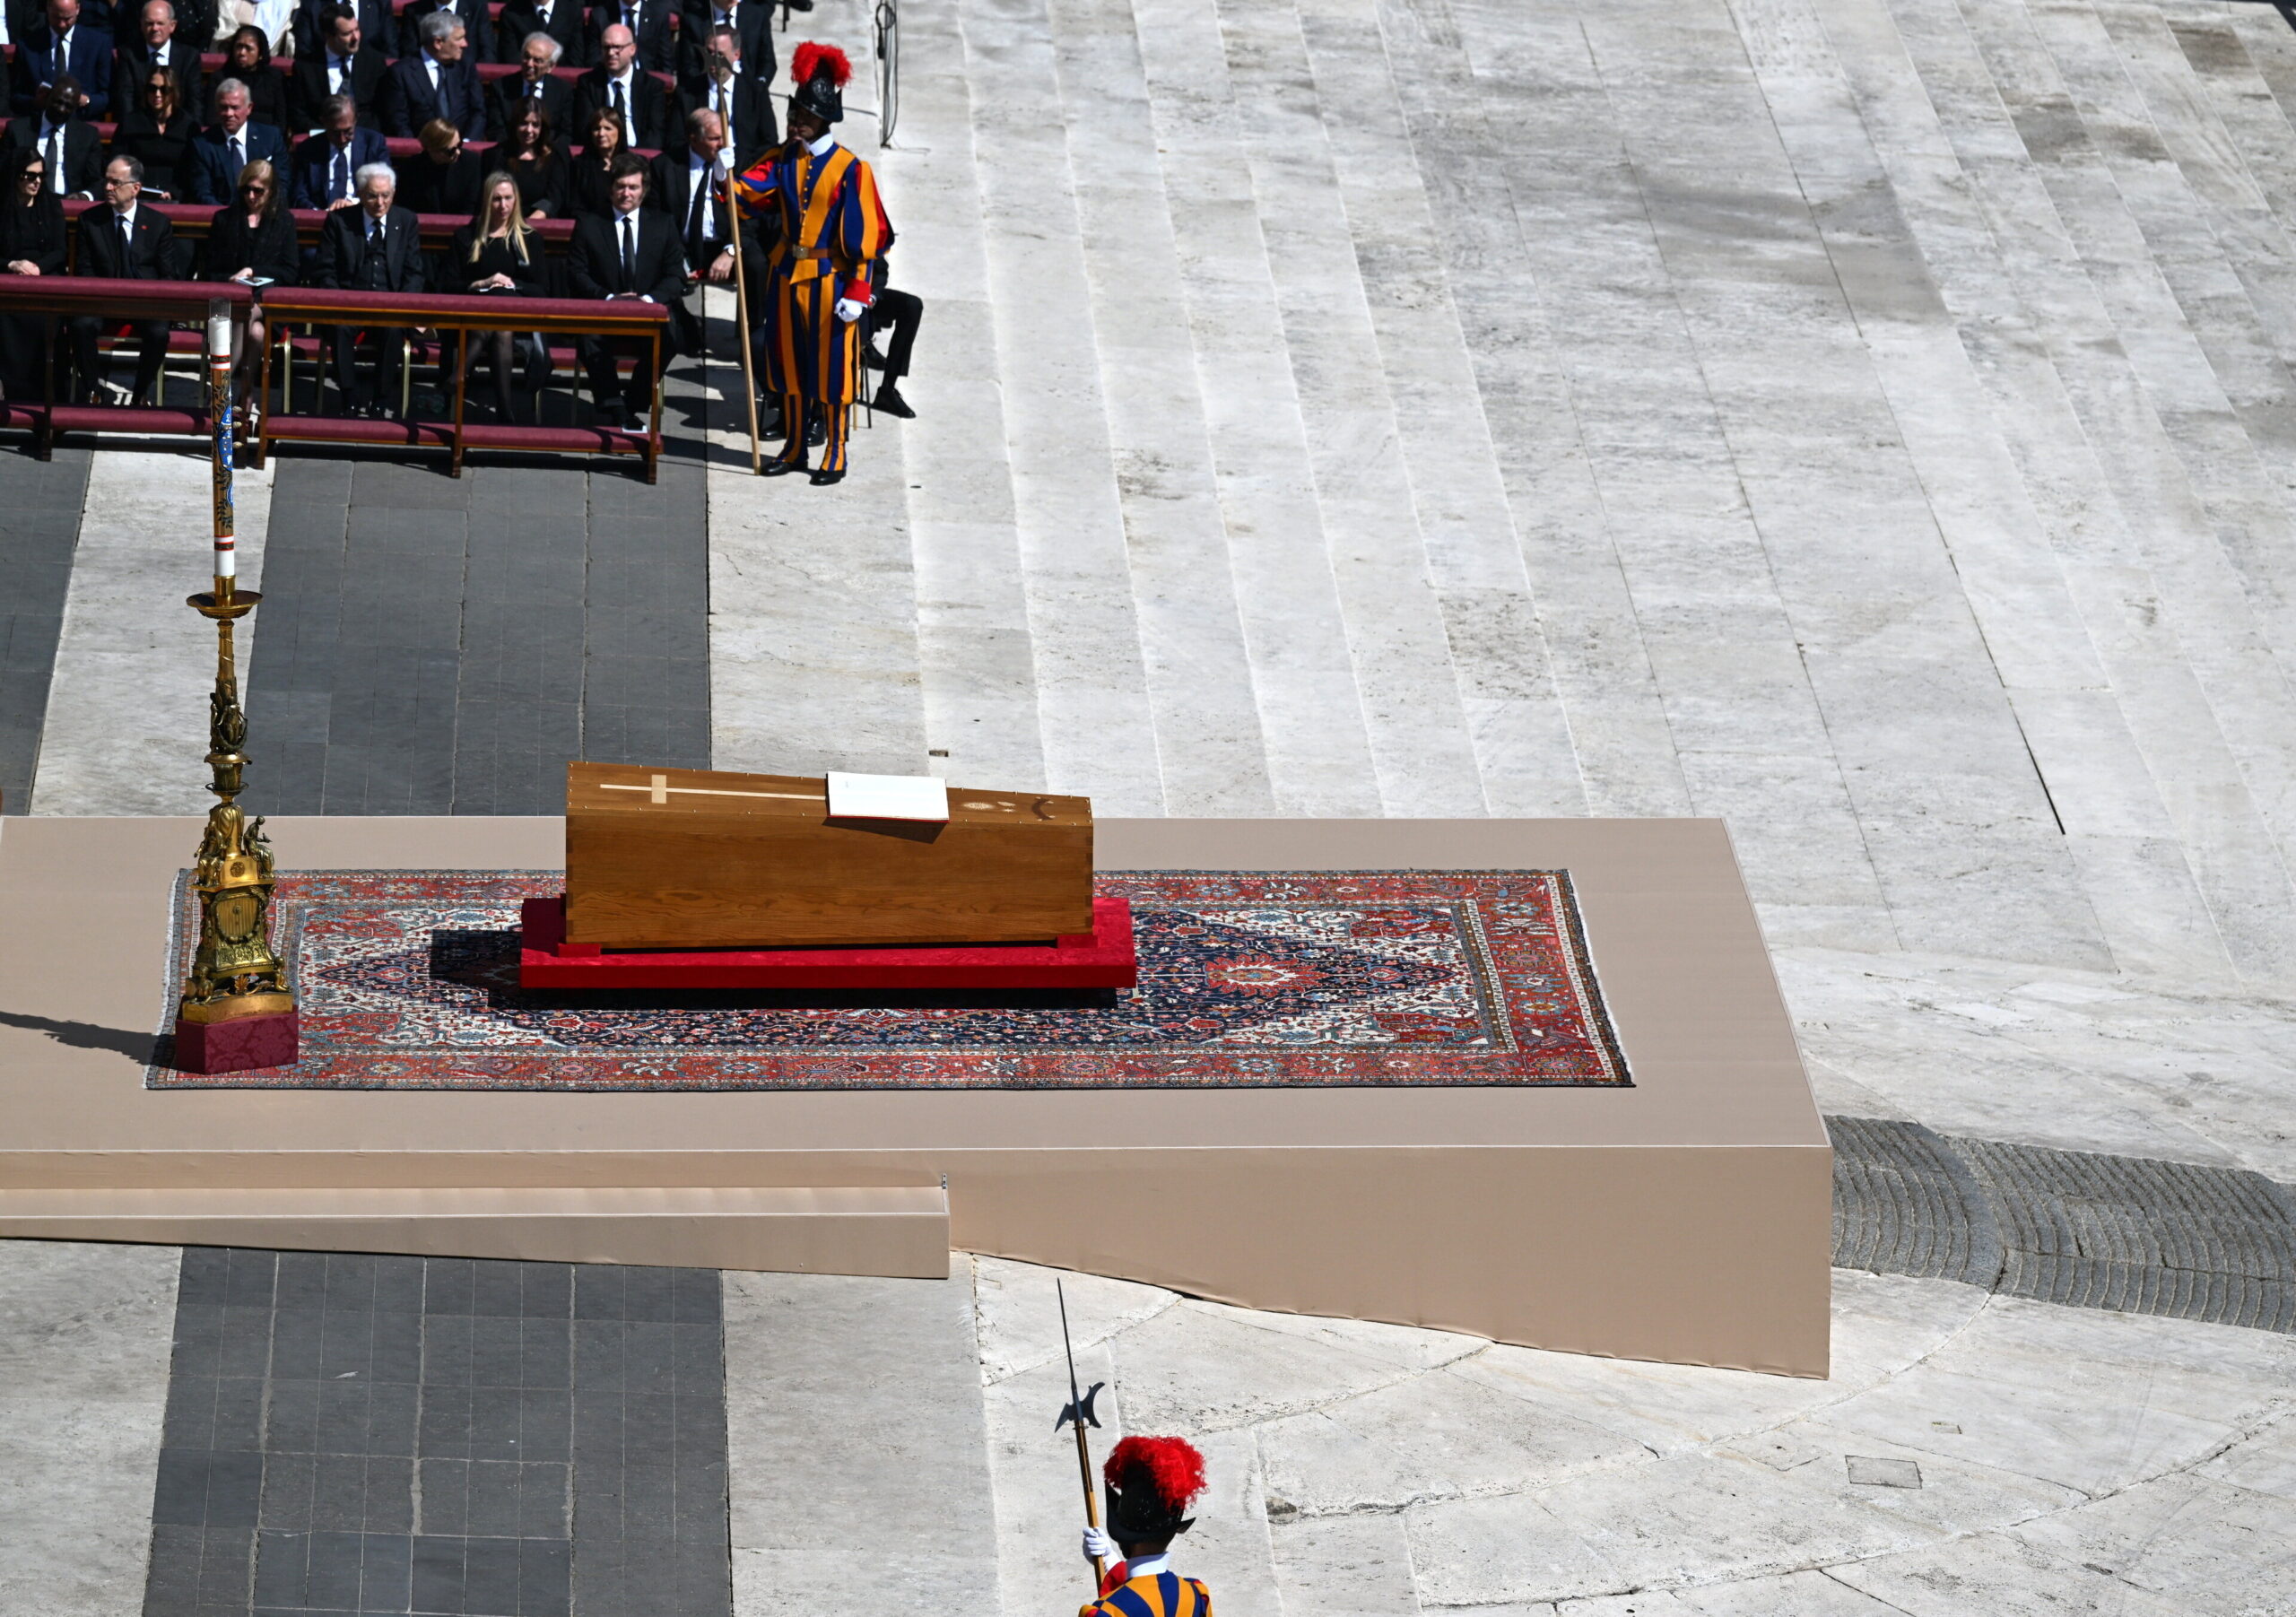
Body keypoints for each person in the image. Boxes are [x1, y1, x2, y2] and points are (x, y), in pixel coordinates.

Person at [731, 42, 888, 484]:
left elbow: (866, 242)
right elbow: (746, 198)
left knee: (832, 371)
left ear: (823, 119)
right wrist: (725, 173)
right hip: (785, 275)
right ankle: (795, 447)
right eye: (795, 113)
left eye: (805, 116)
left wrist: (858, 293)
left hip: (830, 281)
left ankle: (835, 451)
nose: (796, 121)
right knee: (790, 366)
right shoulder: (783, 157)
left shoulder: (851, 169)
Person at [567, 152, 679, 427]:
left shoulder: (663, 224)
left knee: (672, 335)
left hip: (648, 313)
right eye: (620, 186)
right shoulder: (589, 224)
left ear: (644, 190)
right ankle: (615, 408)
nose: (626, 193)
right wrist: (609, 298)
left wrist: (648, 301)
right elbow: (576, 273)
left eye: (633, 187)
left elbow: (676, 275)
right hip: (604, 312)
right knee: (588, 337)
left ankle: (634, 403)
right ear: (610, 188)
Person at [69, 153, 187, 404]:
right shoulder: (90, 221)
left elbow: (167, 273)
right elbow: (85, 270)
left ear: (135, 188)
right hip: (102, 299)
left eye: (115, 182)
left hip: (144, 301)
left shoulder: (158, 223)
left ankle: (140, 393)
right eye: (106, 181)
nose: (108, 187)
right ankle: (92, 390)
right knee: (80, 326)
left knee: (158, 333)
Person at [317, 161, 423, 415]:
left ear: (393, 194)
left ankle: (381, 399)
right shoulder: (339, 221)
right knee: (339, 328)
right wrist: (339, 301)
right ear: (361, 194)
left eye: (386, 195)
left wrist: (402, 306)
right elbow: (325, 270)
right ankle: (349, 396)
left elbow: (414, 272)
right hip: (349, 304)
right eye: (373, 196)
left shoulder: (406, 220)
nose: (380, 202)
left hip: (390, 305)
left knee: (394, 331)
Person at [651, 106, 757, 354]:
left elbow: (751, 217)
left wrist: (731, 251)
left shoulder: (739, 163)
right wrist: (674, 252)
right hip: (683, 246)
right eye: (714, 138)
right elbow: (656, 217)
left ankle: (753, 337)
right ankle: (682, 329)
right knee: (654, 266)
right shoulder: (664, 165)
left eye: (725, 136)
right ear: (694, 139)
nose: (722, 144)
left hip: (724, 245)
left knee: (757, 264)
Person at [448, 172, 546, 421]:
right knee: (499, 327)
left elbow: (542, 289)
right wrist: (482, 283)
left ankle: (461, 374)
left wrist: (512, 285)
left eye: (508, 198)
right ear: (486, 201)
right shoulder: (466, 237)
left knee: (501, 322)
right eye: (496, 199)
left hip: (519, 317)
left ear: (516, 200)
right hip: (474, 316)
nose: (503, 205)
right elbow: (448, 284)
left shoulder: (529, 239)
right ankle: (504, 409)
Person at [200, 155, 294, 415]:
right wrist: (232, 279)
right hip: (225, 299)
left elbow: (290, 271)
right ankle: (247, 390)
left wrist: (254, 271)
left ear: (271, 191)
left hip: (267, 301)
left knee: (249, 311)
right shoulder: (224, 219)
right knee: (256, 333)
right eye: (247, 190)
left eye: (258, 191)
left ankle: (221, 386)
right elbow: (209, 269)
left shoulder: (284, 222)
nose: (251, 196)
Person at [1076, 1438, 1212, 1617]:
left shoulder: (1105, 1612)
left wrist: (1108, 1562)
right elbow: (1150, 1596)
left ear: (1123, 1538)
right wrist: (1109, 1562)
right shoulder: (1197, 1595)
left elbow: (1134, 1601)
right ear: (1171, 1532)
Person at [0, 145, 68, 400]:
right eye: (30, 175)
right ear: (16, 174)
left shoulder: (50, 204)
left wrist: (39, 268)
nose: (37, 181)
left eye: (41, 175)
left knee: (45, 319)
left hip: (44, 275)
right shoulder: (2, 205)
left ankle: (44, 393)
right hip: (9, 276)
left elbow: (60, 250)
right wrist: (12, 264)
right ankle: (10, 388)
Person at [679, 22, 772, 165]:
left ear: (736, 54)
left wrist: (742, 165)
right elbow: (676, 140)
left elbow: (769, 141)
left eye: (720, 55)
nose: (713, 60)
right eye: (709, 52)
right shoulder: (688, 92)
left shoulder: (755, 92)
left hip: (743, 168)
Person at [381, 10, 485, 139]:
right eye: (459, 39)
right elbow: (399, 121)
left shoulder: (466, 67)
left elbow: (478, 111)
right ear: (438, 43)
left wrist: (466, 144)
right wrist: (416, 147)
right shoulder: (402, 72)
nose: (465, 44)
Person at [184, 74, 285, 203]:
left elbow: (281, 184)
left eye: (235, 107)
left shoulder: (271, 138)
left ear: (249, 108)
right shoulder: (203, 145)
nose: (229, 114)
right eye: (223, 107)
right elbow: (203, 192)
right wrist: (224, 214)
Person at [287, 2, 387, 130]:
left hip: (364, 135)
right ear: (328, 36)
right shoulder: (306, 67)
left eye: (357, 29)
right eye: (347, 34)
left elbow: (382, 111)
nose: (355, 37)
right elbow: (298, 114)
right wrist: (329, 134)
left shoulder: (374, 62)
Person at [571, 22, 669, 151]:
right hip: (601, 152)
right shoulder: (588, 83)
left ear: (632, 49)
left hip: (639, 154)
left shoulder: (652, 86)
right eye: (606, 47)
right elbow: (585, 127)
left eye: (617, 47)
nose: (611, 53)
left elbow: (656, 134)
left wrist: (638, 157)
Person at [2, 75, 104, 197]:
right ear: (47, 97)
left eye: (68, 106)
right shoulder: (17, 129)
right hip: (26, 200)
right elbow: (3, 171)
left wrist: (84, 196)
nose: (61, 109)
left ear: (75, 108)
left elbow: (96, 181)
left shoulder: (88, 136)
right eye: (58, 102)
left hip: (68, 202)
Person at [11, 0, 113, 117]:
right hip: (40, 119)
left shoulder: (98, 44)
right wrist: (36, 102)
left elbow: (107, 96)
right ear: (48, 8)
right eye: (56, 18)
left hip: (82, 121)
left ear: (78, 9)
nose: (61, 24)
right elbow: (16, 97)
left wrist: (86, 100)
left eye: (67, 19)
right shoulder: (28, 45)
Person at [288, 91, 384, 210]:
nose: (342, 139)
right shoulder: (308, 149)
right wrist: (318, 213)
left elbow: (384, 188)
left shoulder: (373, 143)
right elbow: (298, 195)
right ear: (324, 122)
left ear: (355, 120)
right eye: (335, 133)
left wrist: (355, 204)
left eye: (348, 132)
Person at [113, 66, 196, 197]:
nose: (157, 94)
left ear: (174, 92)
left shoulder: (188, 126)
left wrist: (174, 192)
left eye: (164, 90)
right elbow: (119, 162)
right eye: (152, 88)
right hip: (137, 195)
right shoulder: (130, 123)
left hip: (177, 198)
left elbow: (193, 169)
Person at [489, 29, 575, 136]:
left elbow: (565, 132)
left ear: (550, 66)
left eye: (537, 60)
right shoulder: (501, 87)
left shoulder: (563, 91)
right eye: (526, 57)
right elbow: (496, 130)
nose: (529, 64)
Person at [399, 116, 483, 217]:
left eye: (459, 145)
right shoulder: (411, 168)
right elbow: (407, 207)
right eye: (451, 150)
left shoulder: (470, 162)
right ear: (432, 149)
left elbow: (471, 205)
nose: (458, 152)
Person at [675, 0, 770, 89]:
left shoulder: (757, 16)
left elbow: (767, 61)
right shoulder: (693, 22)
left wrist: (759, 87)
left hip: (748, 90)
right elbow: (688, 66)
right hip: (707, 89)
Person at [497, 102, 567, 220]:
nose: (529, 130)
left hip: (539, 224)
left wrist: (528, 224)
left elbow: (553, 198)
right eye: (523, 123)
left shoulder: (554, 157)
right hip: (505, 221)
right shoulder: (500, 155)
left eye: (535, 125)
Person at [212, 24, 288, 131]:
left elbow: (281, 117)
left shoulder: (274, 77)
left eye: (248, 48)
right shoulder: (220, 78)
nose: (242, 53)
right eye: (239, 47)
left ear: (260, 53)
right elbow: (212, 117)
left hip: (266, 136)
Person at [864, 273, 918, 419]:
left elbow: (880, 269)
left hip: (864, 294)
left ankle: (888, 389)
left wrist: (872, 296)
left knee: (912, 306)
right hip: (836, 294)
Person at [564, 103, 625, 220]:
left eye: (608, 128)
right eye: (596, 129)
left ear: (619, 131)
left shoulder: (631, 165)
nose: (601, 134)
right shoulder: (579, 165)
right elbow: (575, 205)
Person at [114, 0, 188, 91]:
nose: (155, 28)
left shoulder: (188, 57)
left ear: (172, 26)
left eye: (160, 23)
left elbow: (194, 97)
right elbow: (125, 94)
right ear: (141, 25)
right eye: (149, 23)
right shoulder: (128, 55)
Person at [492, 0, 586, 68]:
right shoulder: (511, 13)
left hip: (561, 81)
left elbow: (575, 57)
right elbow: (510, 58)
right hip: (524, 79)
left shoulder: (573, 11)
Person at [394, 0, 487, 65]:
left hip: (467, 74)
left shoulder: (477, 7)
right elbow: (409, 51)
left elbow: (487, 50)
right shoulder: (414, 10)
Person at [585, 0, 666, 72]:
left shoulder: (657, 15)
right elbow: (594, 59)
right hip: (609, 76)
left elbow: (665, 59)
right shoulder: (600, 15)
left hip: (647, 77)